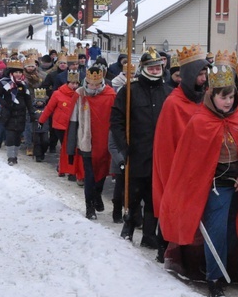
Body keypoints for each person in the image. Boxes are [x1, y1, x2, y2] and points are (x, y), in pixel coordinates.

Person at [159, 64, 238, 297]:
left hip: (236, 186)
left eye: (231, 96)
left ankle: (215, 267)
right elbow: (190, 162)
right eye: (222, 96)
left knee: (231, 231)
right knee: (216, 232)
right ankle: (214, 280)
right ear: (212, 95)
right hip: (213, 187)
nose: (228, 102)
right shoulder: (199, 121)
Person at [152, 44, 209, 269]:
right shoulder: (173, 104)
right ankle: (171, 254)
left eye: (205, 74)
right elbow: (165, 147)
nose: (203, 79)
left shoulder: (205, 101)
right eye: (199, 74)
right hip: (179, 171)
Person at [110, 48, 172, 247]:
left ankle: (149, 235)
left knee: (154, 197)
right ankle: (128, 226)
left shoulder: (169, 93)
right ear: (144, 68)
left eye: (158, 67)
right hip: (136, 151)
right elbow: (116, 119)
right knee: (134, 194)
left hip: (160, 155)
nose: (155, 71)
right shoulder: (130, 90)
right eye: (151, 68)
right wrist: (123, 146)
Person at [66, 66, 117, 220]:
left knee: (101, 174)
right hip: (86, 141)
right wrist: (70, 146)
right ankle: (90, 207)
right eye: (91, 84)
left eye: (96, 84)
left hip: (104, 142)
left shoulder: (110, 95)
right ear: (86, 82)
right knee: (89, 175)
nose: (93, 87)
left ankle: (97, 195)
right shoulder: (80, 95)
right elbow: (73, 120)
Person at [38, 71, 80, 177]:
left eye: (76, 83)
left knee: (73, 147)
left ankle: (71, 168)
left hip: (73, 125)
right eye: (72, 83)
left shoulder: (79, 94)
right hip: (60, 125)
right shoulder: (57, 94)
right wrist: (41, 121)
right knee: (65, 147)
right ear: (67, 83)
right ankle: (62, 166)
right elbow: (49, 108)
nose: (75, 86)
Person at [0, 59, 35, 165]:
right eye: (16, 72)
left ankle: (15, 156)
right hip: (8, 113)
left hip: (21, 114)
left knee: (18, 136)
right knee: (10, 136)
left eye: (19, 72)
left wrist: (31, 112)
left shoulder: (23, 85)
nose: (18, 74)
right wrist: (5, 103)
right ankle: (10, 157)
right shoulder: (4, 83)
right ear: (11, 73)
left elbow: (28, 99)